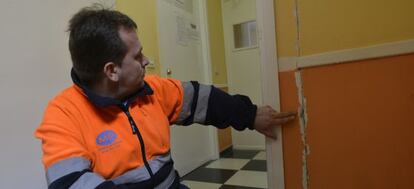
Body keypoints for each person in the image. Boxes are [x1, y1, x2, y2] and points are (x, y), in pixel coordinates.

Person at [34, 6, 296, 189]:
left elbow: (203, 99)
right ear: (111, 71)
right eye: (137, 56)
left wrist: (251, 115)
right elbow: (71, 184)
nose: (146, 61)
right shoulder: (63, 114)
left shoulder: (151, 90)